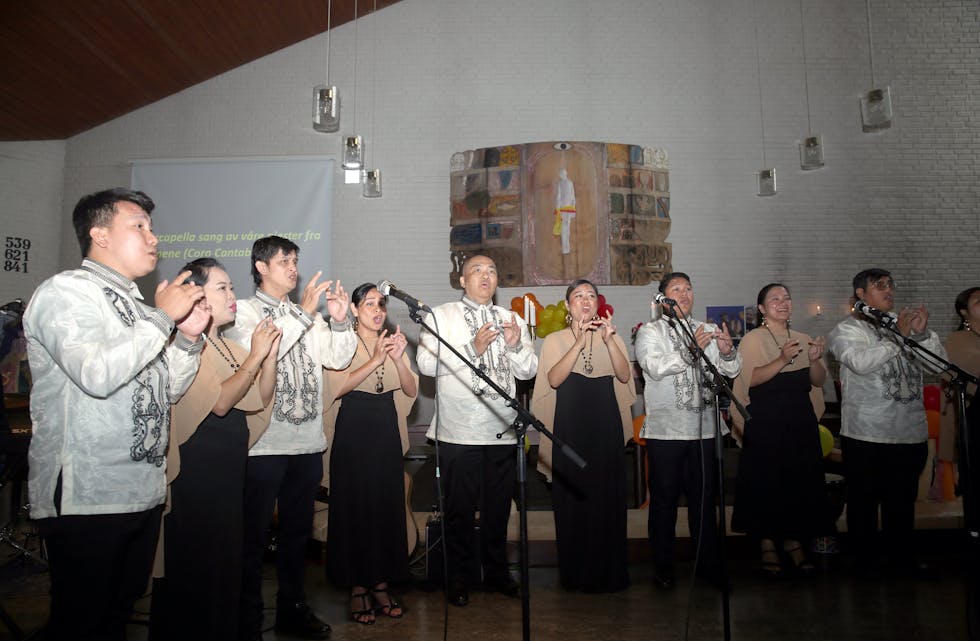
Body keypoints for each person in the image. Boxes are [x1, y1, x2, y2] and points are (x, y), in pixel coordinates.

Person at [23, 188, 209, 641]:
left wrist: (186, 341)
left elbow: (164, 392)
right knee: (81, 621)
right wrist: (161, 321)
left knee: (116, 617)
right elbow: (96, 372)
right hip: (88, 494)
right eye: (139, 226)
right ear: (99, 234)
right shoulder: (66, 292)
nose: (153, 238)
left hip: (140, 490)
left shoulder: (140, 308)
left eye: (151, 227)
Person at [224, 235, 356, 641]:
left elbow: (337, 358)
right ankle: (244, 618)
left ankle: (292, 610)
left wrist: (338, 320)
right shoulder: (242, 313)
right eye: (284, 260)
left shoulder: (309, 316)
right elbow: (259, 353)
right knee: (252, 537)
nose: (293, 267)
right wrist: (303, 313)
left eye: (296, 260)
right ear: (261, 267)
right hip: (264, 444)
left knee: (299, 536)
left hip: (306, 442)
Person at [149, 258, 281, 640]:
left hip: (226, 476)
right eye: (222, 287)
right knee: (195, 568)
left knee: (224, 567)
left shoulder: (225, 346)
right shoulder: (183, 347)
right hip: (196, 475)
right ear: (195, 294)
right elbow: (220, 402)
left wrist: (267, 358)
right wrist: (256, 355)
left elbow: (259, 396)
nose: (232, 294)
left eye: (230, 287)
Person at [416, 254, 537, 607]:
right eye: (477, 271)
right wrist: (473, 348)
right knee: (460, 511)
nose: (486, 276)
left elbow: (528, 371)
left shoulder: (511, 318)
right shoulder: (441, 315)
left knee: (499, 510)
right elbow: (425, 363)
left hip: (501, 431)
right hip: (459, 433)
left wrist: (515, 344)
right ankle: (458, 576)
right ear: (462, 281)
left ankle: (497, 572)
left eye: (492, 271)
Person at [827, 268, 946, 573]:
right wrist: (900, 339)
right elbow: (860, 363)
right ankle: (864, 562)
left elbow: (938, 366)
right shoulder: (847, 330)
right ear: (861, 295)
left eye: (891, 285)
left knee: (902, 504)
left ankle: (902, 559)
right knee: (864, 504)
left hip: (909, 433)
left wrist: (920, 335)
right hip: (867, 434)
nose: (889, 291)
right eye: (879, 286)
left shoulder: (902, 324)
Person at [634, 272, 741, 590]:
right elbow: (653, 367)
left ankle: (708, 566)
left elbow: (731, 371)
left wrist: (726, 352)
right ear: (663, 298)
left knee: (705, 503)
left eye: (688, 289)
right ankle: (663, 568)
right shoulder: (649, 332)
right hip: (666, 433)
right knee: (664, 504)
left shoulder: (708, 329)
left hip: (705, 432)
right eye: (676, 289)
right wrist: (690, 350)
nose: (684, 293)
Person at [531, 279, 635, 592]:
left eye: (591, 295)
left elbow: (624, 375)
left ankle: (611, 573)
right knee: (572, 499)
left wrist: (610, 340)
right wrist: (577, 342)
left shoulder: (610, 335)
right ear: (568, 306)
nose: (586, 300)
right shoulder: (554, 340)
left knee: (607, 498)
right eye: (578, 296)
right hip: (570, 428)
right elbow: (554, 379)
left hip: (605, 426)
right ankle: (575, 574)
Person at [323, 283, 418, 624]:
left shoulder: (391, 341)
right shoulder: (342, 342)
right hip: (353, 427)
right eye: (368, 304)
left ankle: (380, 582)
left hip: (384, 429)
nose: (377, 310)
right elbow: (337, 388)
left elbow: (410, 389)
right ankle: (357, 587)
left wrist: (396, 359)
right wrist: (375, 360)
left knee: (385, 506)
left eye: (381, 304)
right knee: (355, 508)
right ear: (352, 309)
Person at [730, 283, 831, 578]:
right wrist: (782, 359)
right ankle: (767, 545)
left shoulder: (802, 338)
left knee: (798, 485)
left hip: (799, 423)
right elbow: (749, 380)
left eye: (786, 297)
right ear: (762, 308)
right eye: (775, 298)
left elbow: (818, 380)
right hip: (766, 425)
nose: (783, 302)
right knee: (766, 485)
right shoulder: (752, 340)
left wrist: (812, 360)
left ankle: (793, 540)